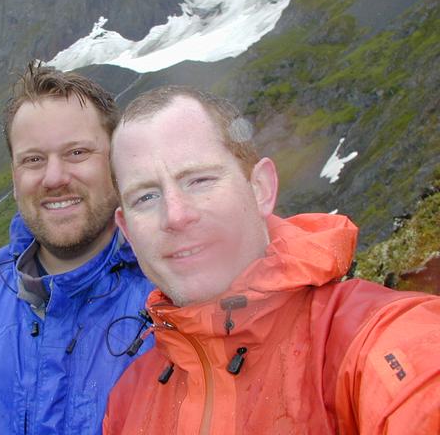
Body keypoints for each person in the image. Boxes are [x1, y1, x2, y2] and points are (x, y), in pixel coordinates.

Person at [104, 85, 440, 434]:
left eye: (199, 180)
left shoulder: (367, 341)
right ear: (127, 230)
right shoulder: (126, 404)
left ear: (261, 188)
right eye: (145, 197)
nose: (175, 215)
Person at [0, 63, 154, 434]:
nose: (54, 178)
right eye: (33, 159)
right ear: (14, 175)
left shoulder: (167, 291)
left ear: (117, 163)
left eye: (77, 153)